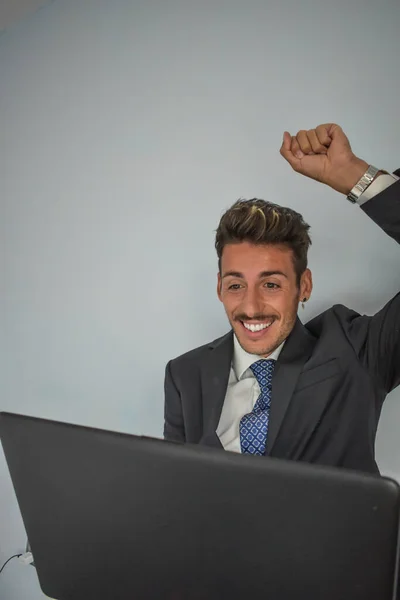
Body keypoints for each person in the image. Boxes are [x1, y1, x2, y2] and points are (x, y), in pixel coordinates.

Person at [163, 123, 399, 474]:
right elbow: (174, 491)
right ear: (219, 288)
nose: (251, 307)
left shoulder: (356, 350)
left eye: (271, 284)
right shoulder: (184, 374)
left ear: (304, 286)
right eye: (235, 285)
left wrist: (353, 176)